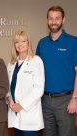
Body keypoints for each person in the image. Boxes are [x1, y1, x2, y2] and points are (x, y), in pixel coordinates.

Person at [36, 5, 77, 136]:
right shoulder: (42, 43)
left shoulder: (73, 42)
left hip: (66, 100)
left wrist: (75, 98)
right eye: (51, 18)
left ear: (63, 20)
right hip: (45, 101)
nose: (54, 22)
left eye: (57, 18)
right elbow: (36, 71)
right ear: (47, 20)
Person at [7, 31, 45, 136]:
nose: (20, 44)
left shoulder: (36, 61)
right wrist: (9, 97)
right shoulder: (11, 63)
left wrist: (22, 105)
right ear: (14, 45)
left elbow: (38, 89)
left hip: (29, 114)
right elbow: (8, 86)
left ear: (28, 43)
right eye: (17, 42)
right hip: (15, 112)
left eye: (23, 41)